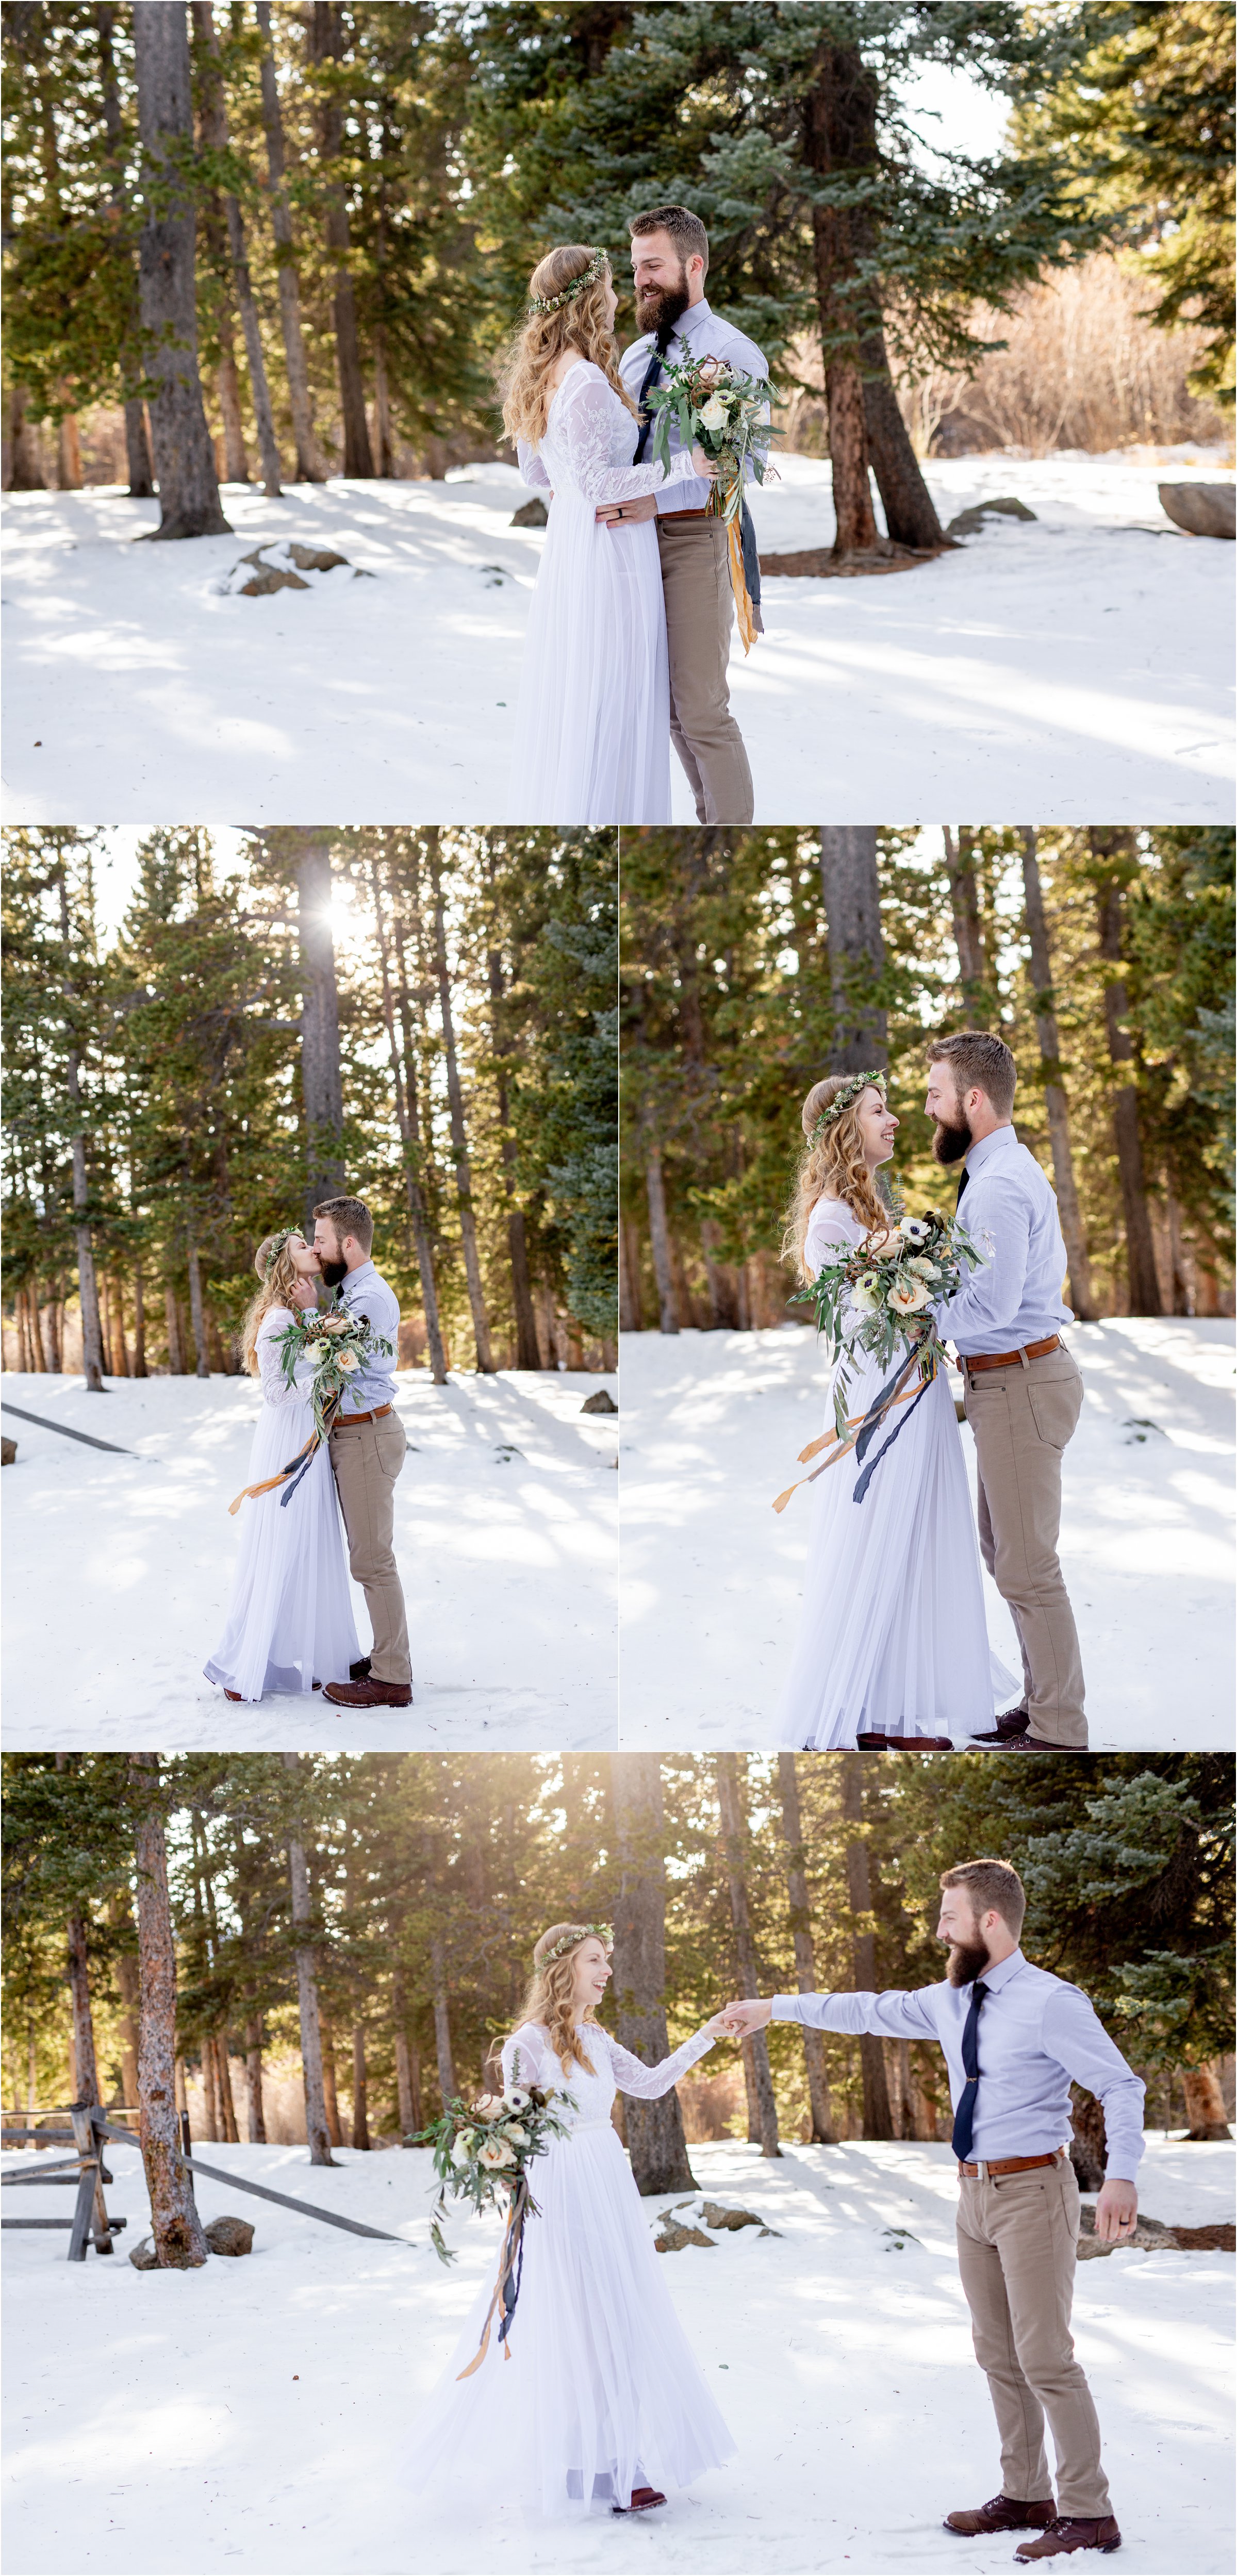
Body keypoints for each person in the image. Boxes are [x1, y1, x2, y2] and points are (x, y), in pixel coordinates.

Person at [722, 1858, 1141, 2562]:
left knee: (1045, 2356)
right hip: (971, 2194)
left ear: (988, 1922)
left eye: (948, 1917)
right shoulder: (950, 1999)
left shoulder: (1050, 2001)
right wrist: (774, 2008)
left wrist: (1122, 2177)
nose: (936, 1930)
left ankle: (1087, 2511)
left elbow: (1119, 2085)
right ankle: (1026, 2493)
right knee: (995, 2352)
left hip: (1033, 2191)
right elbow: (865, 2009)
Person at [405, 1924, 736, 2521]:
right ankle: (607, 2464)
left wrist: (707, 2034)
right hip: (560, 2191)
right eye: (594, 1960)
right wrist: (504, 2175)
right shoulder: (523, 2044)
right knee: (586, 2324)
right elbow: (516, 2128)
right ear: (562, 1969)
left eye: (606, 1959)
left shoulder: (598, 2038)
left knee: (624, 2316)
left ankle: (618, 2459)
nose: (606, 1969)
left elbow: (654, 2083)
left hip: (608, 2180)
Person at [777, 1068, 1015, 1749]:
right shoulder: (830, 1218)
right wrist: (917, 1270)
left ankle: (895, 1712)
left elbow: (901, 1298)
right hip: (886, 1399)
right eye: (878, 1111)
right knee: (883, 1539)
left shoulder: (863, 1210)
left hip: (914, 1388)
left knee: (914, 1543)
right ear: (843, 1129)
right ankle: (855, 1714)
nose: (893, 1121)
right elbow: (865, 1314)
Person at [502, 242, 715, 823]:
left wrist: (571, 496)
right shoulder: (588, 381)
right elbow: (601, 482)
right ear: (591, 298)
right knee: (617, 693)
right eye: (612, 286)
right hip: (611, 545)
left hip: (573, 542)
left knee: (585, 687)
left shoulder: (541, 375)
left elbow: (536, 471)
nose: (621, 295)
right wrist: (686, 465)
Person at [925, 1033, 1087, 1751]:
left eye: (934, 1095)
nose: (927, 1109)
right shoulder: (1000, 1170)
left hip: (1019, 1379)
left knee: (1026, 1564)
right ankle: (1041, 1700)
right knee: (1006, 1553)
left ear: (972, 1098)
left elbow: (987, 1309)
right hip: (1011, 1381)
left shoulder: (994, 1184)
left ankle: (1058, 1728)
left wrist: (913, 1313)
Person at [607, 204, 768, 828]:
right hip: (628, 546)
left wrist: (656, 499)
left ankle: (729, 837)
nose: (641, 281)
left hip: (694, 539)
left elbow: (742, 464)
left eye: (653, 266)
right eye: (635, 268)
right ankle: (708, 826)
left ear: (692, 265)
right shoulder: (634, 354)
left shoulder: (730, 352)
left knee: (701, 709)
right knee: (667, 710)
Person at [204, 1230, 361, 1704]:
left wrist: (316, 1321)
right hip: (287, 1441)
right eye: (301, 1247)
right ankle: (244, 1663)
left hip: (306, 1434)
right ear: (284, 1267)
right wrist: (327, 1362)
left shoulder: (300, 1313)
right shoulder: (277, 1319)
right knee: (282, 1545)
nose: (313, 1250)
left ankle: (288, 1654)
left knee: (305, 1545)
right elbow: (276, 1393)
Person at [307, 1195, 413, 1711]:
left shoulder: (367, 1298)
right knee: (366, 1558)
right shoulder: (352, 1292)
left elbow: (329, 1362)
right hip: (354, 1435)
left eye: (322, 1241)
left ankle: (392, 1677)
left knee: (372, 1561)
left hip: (367, 1436)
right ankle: (382, 1658)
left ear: (348, 1244)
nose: (316, 1249)